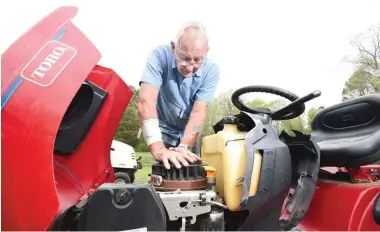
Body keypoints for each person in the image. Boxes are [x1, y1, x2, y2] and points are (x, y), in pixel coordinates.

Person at [137, 21, 220, 169]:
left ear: (205, 54)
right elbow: (145, 101)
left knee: (191, 175)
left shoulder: (211, 70)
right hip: (162, 131)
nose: (190, 66)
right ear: (174, 47)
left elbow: (198, 113)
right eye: (186, 58)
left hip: (189, 132)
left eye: (197, 60)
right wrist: (159, 149)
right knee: (164, 175)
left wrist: (185, 146)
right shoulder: (159, 56)